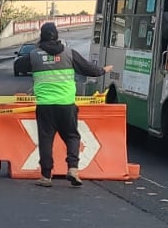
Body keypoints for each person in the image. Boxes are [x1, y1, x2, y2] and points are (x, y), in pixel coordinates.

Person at [28, 21, 111, 188]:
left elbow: (20, 65)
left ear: (41, 36)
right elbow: (89, 70)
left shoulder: (33, 55)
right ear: (57, 35)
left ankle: (46, 176)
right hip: (66, 104)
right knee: (72, 136)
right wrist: (103, 70)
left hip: (45, 105)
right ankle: (73, 169)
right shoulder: (69, 53)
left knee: (46, 139)